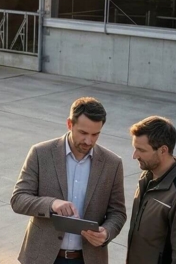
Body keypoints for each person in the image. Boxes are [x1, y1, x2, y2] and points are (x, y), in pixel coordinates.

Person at [11, 97, 126, 264]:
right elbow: (18, 199)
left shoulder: (112, 163)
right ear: (69, 124)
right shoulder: (40, 153)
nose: (89, 141)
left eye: (95, 134)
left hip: (88, 259)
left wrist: (106, 233)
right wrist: (52, 204)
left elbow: (118, 213)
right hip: (42, 257)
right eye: (83, 133)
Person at [126, 116, 176, 264]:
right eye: (135, 148)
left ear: (163, 150)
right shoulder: (147, 178)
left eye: (141, 150)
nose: (134, 155)